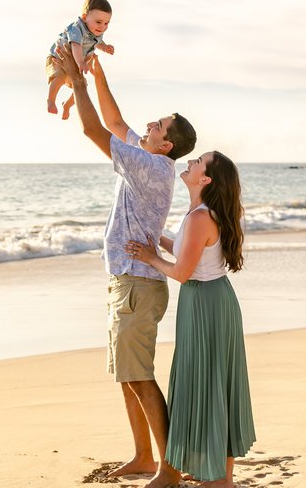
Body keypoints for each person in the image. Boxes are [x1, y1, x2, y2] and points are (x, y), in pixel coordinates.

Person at [54, 43, 196, 488]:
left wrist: (77, 81)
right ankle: (142, 456)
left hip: (138, 284)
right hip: (127, 281)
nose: (149, 124)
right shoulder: (148, 156)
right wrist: (97, 75)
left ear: (165, 144)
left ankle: (169, 468)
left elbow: (94, 129)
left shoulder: (152, 166)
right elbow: (115, 122)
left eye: (158, 125)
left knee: (140, 376)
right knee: (127, 376)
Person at [126, 151, 256, 488]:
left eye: (198, 162)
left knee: (211, 383)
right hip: (211, 299)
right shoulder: (202, 213)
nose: (190, 163)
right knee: (215, 382)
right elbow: (188, 252)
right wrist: (159, 240)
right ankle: (220, 474)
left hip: (205, 302)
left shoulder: (200, 217)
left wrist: (150, 257)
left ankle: (220, 479)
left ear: (205, 179)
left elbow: (182, 272)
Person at [46, 0, 116, 120]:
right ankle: (51, 100)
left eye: (106, 23)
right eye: (99, 22)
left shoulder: (96, 31)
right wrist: (80, 62)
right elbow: (75, 45)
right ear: (84, 17)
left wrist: (105, 47)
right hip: (58, 58)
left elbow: (98, 42)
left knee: (82, 86)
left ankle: (67, 105)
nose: (102, 27)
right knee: (60, 77)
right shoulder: (76, 29)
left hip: (75, 63)